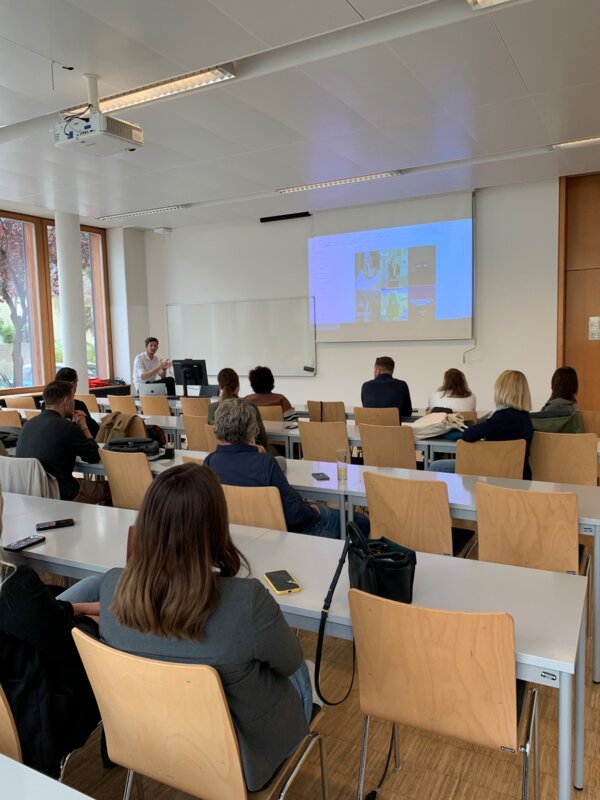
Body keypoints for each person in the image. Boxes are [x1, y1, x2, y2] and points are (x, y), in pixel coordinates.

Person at [96, 463, 313, 792]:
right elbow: (291, 663)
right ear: (216, 525)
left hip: (150, 744)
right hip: (245, 760)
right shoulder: (247, 602)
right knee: (303, 669)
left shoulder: (112, 587)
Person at [0, 491, 100, 777]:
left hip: (14, 691)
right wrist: (92, 621)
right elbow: (69, 650)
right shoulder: (12, 586)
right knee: (105, 586)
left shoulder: (14, 590)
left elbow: (33, 616)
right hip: (40, 710)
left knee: (94, 585)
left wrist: (78, 608)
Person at [204, 398, 369, 539]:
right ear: (251, 428)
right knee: (361, 522)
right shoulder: (264, 463)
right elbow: (296, 516)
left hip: (243, 533)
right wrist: (313, 510)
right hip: (294, 530)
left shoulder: (210, 463)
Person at [15, 380, 110, 503]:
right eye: (73, 398)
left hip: (31, 492)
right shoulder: (67, 427)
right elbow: (94, 456)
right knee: (114, 489)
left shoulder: (29, 424)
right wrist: (84, 427)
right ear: (66, 401)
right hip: (62, 492)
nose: (74, 402)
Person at [429, 370, 533, 479]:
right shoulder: (524, 417)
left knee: (437, 466)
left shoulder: (502, 417)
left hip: (491, 469)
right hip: (518, 473)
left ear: (501, 391)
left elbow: (468, 435)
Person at [208, 367, 271, 452]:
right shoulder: (249, 406)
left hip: (219, 454)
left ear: (219, 386)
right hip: (248, 454)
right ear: (238, 385)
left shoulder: (212, 408)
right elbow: (263, 438)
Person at [54, 367, 99, 438]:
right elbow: (95, 431)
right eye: (76, 382)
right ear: (72, 385)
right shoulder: (78, 405)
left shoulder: (47, 406)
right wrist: (85, 419)